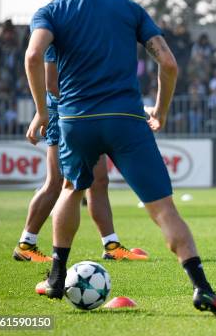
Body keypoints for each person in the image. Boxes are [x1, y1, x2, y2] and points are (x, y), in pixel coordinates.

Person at [25, 0, 216, 316]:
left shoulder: (51, 10)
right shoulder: (127, 8)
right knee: (163, 209)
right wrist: (160, 110)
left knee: (72, 189)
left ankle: (56, 279)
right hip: (127, 119)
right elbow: (168, 63)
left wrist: (43, 113)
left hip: (77, 120)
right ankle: (202, 288)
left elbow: (33, 56)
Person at [14, 44, 147, 263]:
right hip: (66, 115)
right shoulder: (56, 32)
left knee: (99, 180)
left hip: (87, 113)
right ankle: (26, 244)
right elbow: (52, 85)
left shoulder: (85, 32)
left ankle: (111, 245)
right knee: (56, 182)